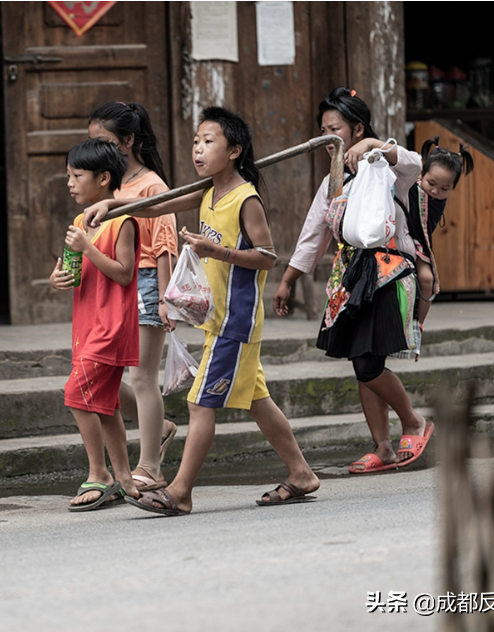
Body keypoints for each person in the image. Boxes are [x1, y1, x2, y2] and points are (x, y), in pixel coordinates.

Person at [85, 106, 320, 515]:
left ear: (234, 150)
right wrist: (111, 206)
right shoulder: (210, 191)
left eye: (208, 141)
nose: (198, 149)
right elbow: (158, 206)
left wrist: (217, 251)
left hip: (236, 318)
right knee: (257, 400)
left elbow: (267, 256)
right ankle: (300, 473)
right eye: (196, 141)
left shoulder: (246, 199)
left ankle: (179, 492)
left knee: (199, 403)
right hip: (220, 317)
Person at [272, 87, 433, 474]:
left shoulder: (388, 167)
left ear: (357, 129)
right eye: (324, 131)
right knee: (362, 357)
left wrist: (378, 145)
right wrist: (287, 280)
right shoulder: (334, 180)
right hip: (348, 278)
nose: (329, 138)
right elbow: (314, 233)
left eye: (336, 129)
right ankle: (383, 447)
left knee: (366, 362)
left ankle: (414, 422)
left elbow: (415, 163)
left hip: (387, 271)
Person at [88, 101, 179, 492]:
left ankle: (151, 467)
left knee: (142, 378)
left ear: (128, 140)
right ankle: (161, 426)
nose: (99, 149)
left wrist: (164, 294)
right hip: (110, 286)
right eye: (93, 142)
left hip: (144, 283)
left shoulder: (151, 186)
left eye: (106, 142)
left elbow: (164, 243)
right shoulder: (109, 181)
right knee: (101, 376)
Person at [49, 138, 140, 511]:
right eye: (68, 175)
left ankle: (98, 472)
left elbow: (123, 274)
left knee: (76, 394)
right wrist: (58, 277)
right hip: (86, 323)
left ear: (104, 178)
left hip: (111, 324)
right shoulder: (79, 221)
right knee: (103, 405)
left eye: (77, 175)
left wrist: (88, 247)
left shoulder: (123, 221)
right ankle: (125, 478)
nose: (70, 182)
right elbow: (75, 272)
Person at [403, 137, 474, 338]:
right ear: (421, 174)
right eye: (431, 183)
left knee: (427, 279)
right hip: (396, 238)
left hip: (416, 245)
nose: (435, 191)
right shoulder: (407, 184)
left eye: (445, 189)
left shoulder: (435, 201)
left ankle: (417, 325)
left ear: (452, 189)